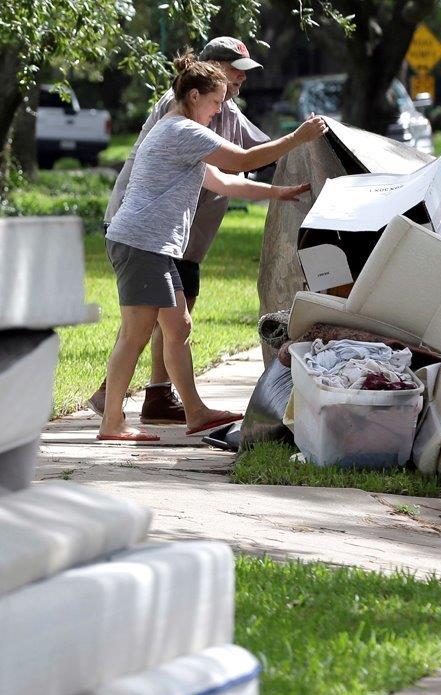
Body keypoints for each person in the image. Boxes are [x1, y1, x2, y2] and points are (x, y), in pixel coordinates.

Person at [97, 54, 327, 442]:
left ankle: (195, 411)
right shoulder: (182, 132)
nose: (220, 111)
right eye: (216, 102)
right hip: (141, 244)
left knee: (178, 325)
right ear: (193, 96)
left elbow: (227, 183)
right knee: (134, 336)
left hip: (154, 246)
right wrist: (297, 138)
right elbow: (244, 159)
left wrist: (279, 192)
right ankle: (112, 422)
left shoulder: (180, 134)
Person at [90, 36, 270, 424]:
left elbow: (257, 152)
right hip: (149, 230)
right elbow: (239, 160)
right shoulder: (181, 112)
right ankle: (113, 405)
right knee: (145, 321)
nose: (241, 80)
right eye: (235, 71)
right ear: (208, 71)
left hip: (174, 235)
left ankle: (163, 399)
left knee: (172, 319)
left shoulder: (224, 110)